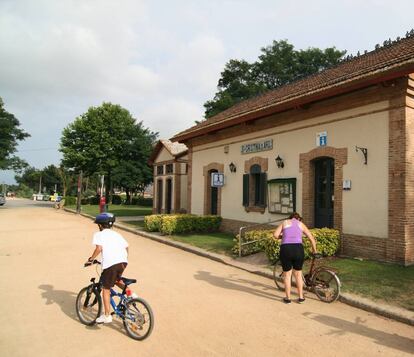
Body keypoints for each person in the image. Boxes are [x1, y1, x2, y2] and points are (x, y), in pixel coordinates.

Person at [86, 212, 129, 324]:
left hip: (111, 264)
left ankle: (107, 316)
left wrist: (91, 259)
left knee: (106, 288)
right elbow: (126, 247)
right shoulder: (117, 234)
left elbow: (99, 248)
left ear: (100, 225)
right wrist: (122, 259)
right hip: (123, 262)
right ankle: (132, 295)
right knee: (115, 280)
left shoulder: (99, 234)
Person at [273, 212, 317, 304]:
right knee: (298, 274)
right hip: (298, 249)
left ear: (290, 218)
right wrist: (314, 251)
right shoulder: (301, 224)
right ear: (298, 219)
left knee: (287, 275)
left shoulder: (284, 222)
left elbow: (275, 235)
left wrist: (282, 236)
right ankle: (301, 297)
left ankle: (288, 298)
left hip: (286, 249)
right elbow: (311, 238)